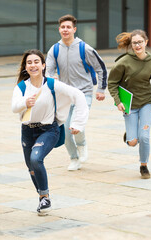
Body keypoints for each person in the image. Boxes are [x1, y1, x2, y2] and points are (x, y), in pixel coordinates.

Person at [12, 49, 89, 215]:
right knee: (31, 167)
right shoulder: (21, 87)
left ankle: (45, 197)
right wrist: (25, 102)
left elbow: (78, 96)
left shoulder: (52, 84)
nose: (33, 65)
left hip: (48, 129)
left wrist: (78, 123)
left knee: (35, 158)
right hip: (27, 131)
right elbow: (14, 107)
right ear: (25, 67)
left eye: (36, 62)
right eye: (29, 62)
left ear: (43, 65)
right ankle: (43, 198)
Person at [46, 14, 108, 171]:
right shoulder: (54, 49)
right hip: (65, 95)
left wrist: (101, 89)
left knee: (77, 125)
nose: (65, 30)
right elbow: (48, 71)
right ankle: (74, 158)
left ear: (74, 29)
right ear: (59, 29)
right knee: (66, 129)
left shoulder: (84, 48)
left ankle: (82, 145)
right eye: (63, 27)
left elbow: (101, 68)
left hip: (84, 92)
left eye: (68, 27)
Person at [108, 30, 151, 179]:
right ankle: (130, 136)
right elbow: (112, 83)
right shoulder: (124, 62)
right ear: (131, 44)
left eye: (140, 42)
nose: (138, 45)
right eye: (134, 43)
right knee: (133, 142)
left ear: (146, 42)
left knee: (144, 137)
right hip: (130, 105)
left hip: (146, 102)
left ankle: (144, 166)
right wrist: (118, 101)